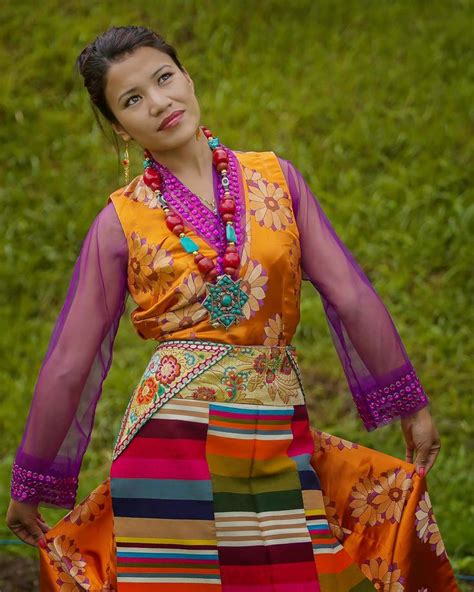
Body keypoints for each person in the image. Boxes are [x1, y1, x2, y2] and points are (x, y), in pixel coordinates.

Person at [6, 25, 458, 592]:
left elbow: (348, 293)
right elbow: (71, 361)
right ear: (121, 128)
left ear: (188, 78)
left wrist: (409, 403)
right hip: (171, 441)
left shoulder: (277, 179)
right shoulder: (118, 222)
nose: (159, 102)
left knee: (295, 574)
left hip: (274, 424)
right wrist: (30, 483)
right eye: (133, 100)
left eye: (164, 78)